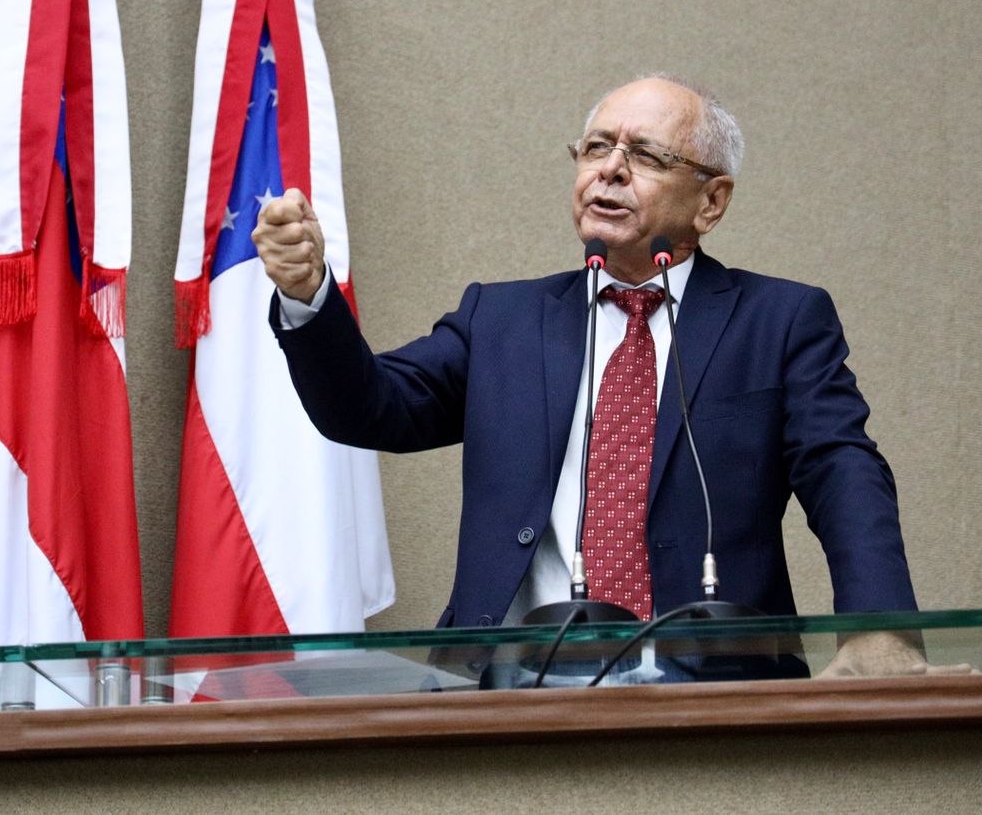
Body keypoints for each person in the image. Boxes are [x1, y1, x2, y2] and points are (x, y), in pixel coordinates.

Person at [253, 74, 939, 676]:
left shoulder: (780, 321)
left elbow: (842, 470)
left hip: (717, 692)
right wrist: (310, 298)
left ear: (712, 201)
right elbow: (370, 407)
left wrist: (880, 630)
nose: (609, 170)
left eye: (645, 156)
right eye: (595, 148)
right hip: (506, 691)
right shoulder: (501, 319)